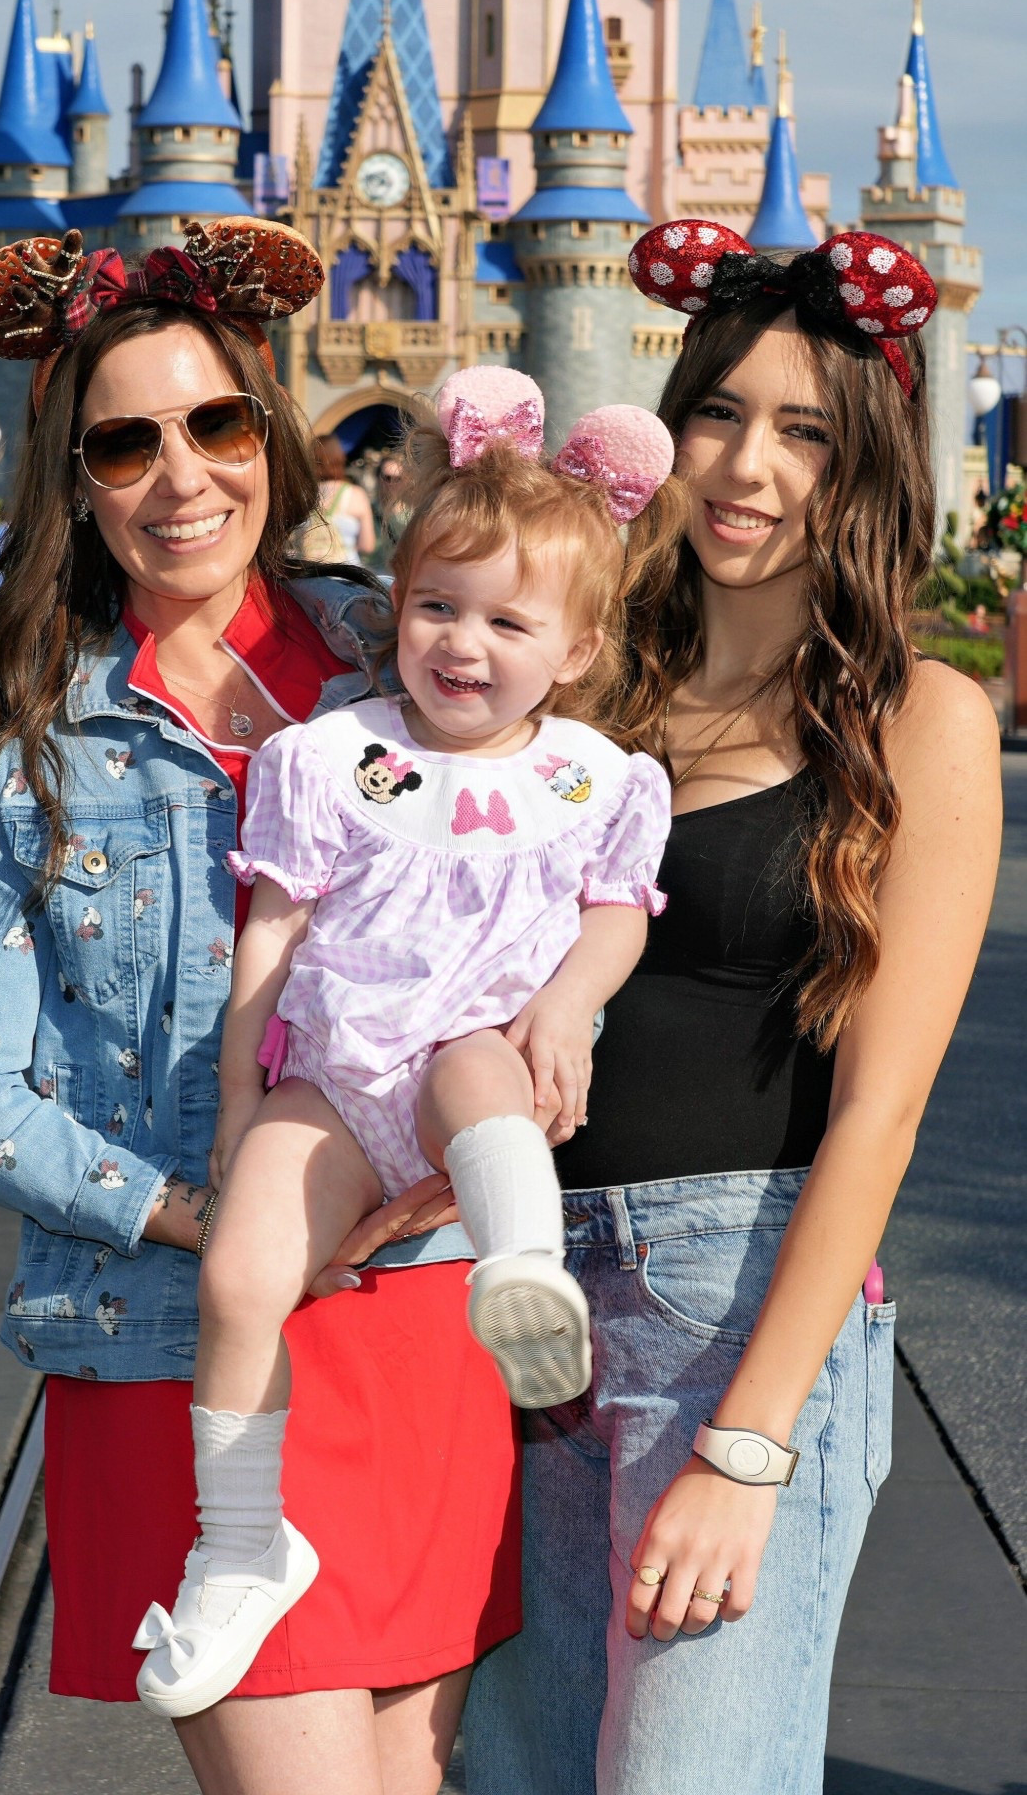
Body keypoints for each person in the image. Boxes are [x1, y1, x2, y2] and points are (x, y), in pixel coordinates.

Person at [0, 220, 521, 1795]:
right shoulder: (24, 734)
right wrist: (203, 1216)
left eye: (216, 423)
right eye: (126, 441)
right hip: (180, 1352)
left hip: (420, 1325)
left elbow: (569, 833)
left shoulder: (394, 653)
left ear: (268, 430)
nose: (183, 476)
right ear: (74, 478)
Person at [463, 220, 1003, 1794]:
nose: (745, 466)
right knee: (511, 1773)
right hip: (506, 1293)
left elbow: (882, 1112)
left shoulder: (918, 718)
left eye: (803, 429)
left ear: (866, 468)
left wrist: (751, 1445)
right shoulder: (584, 686)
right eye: (716, 413)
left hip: (732, 1307)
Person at [134, 375, 678, 1719]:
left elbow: (617, 918)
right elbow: (271, 934)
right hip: (329, 1079)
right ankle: (241, 1544)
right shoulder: (333, 757)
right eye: (437, 605)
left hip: (457, 1057)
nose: (461, 644)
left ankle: (523, 1276)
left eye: (507, 621)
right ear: (397, 598)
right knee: (242, 1270)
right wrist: (236, 1102)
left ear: (578, 645)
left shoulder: (594, 779)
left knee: (479, 1076)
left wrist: (562, 1007)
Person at [301, 434, 376, 565]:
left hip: (310, 574)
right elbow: (367, 545)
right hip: (346, 573)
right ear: (339, 458)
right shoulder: (356, 495)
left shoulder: (303, 495)